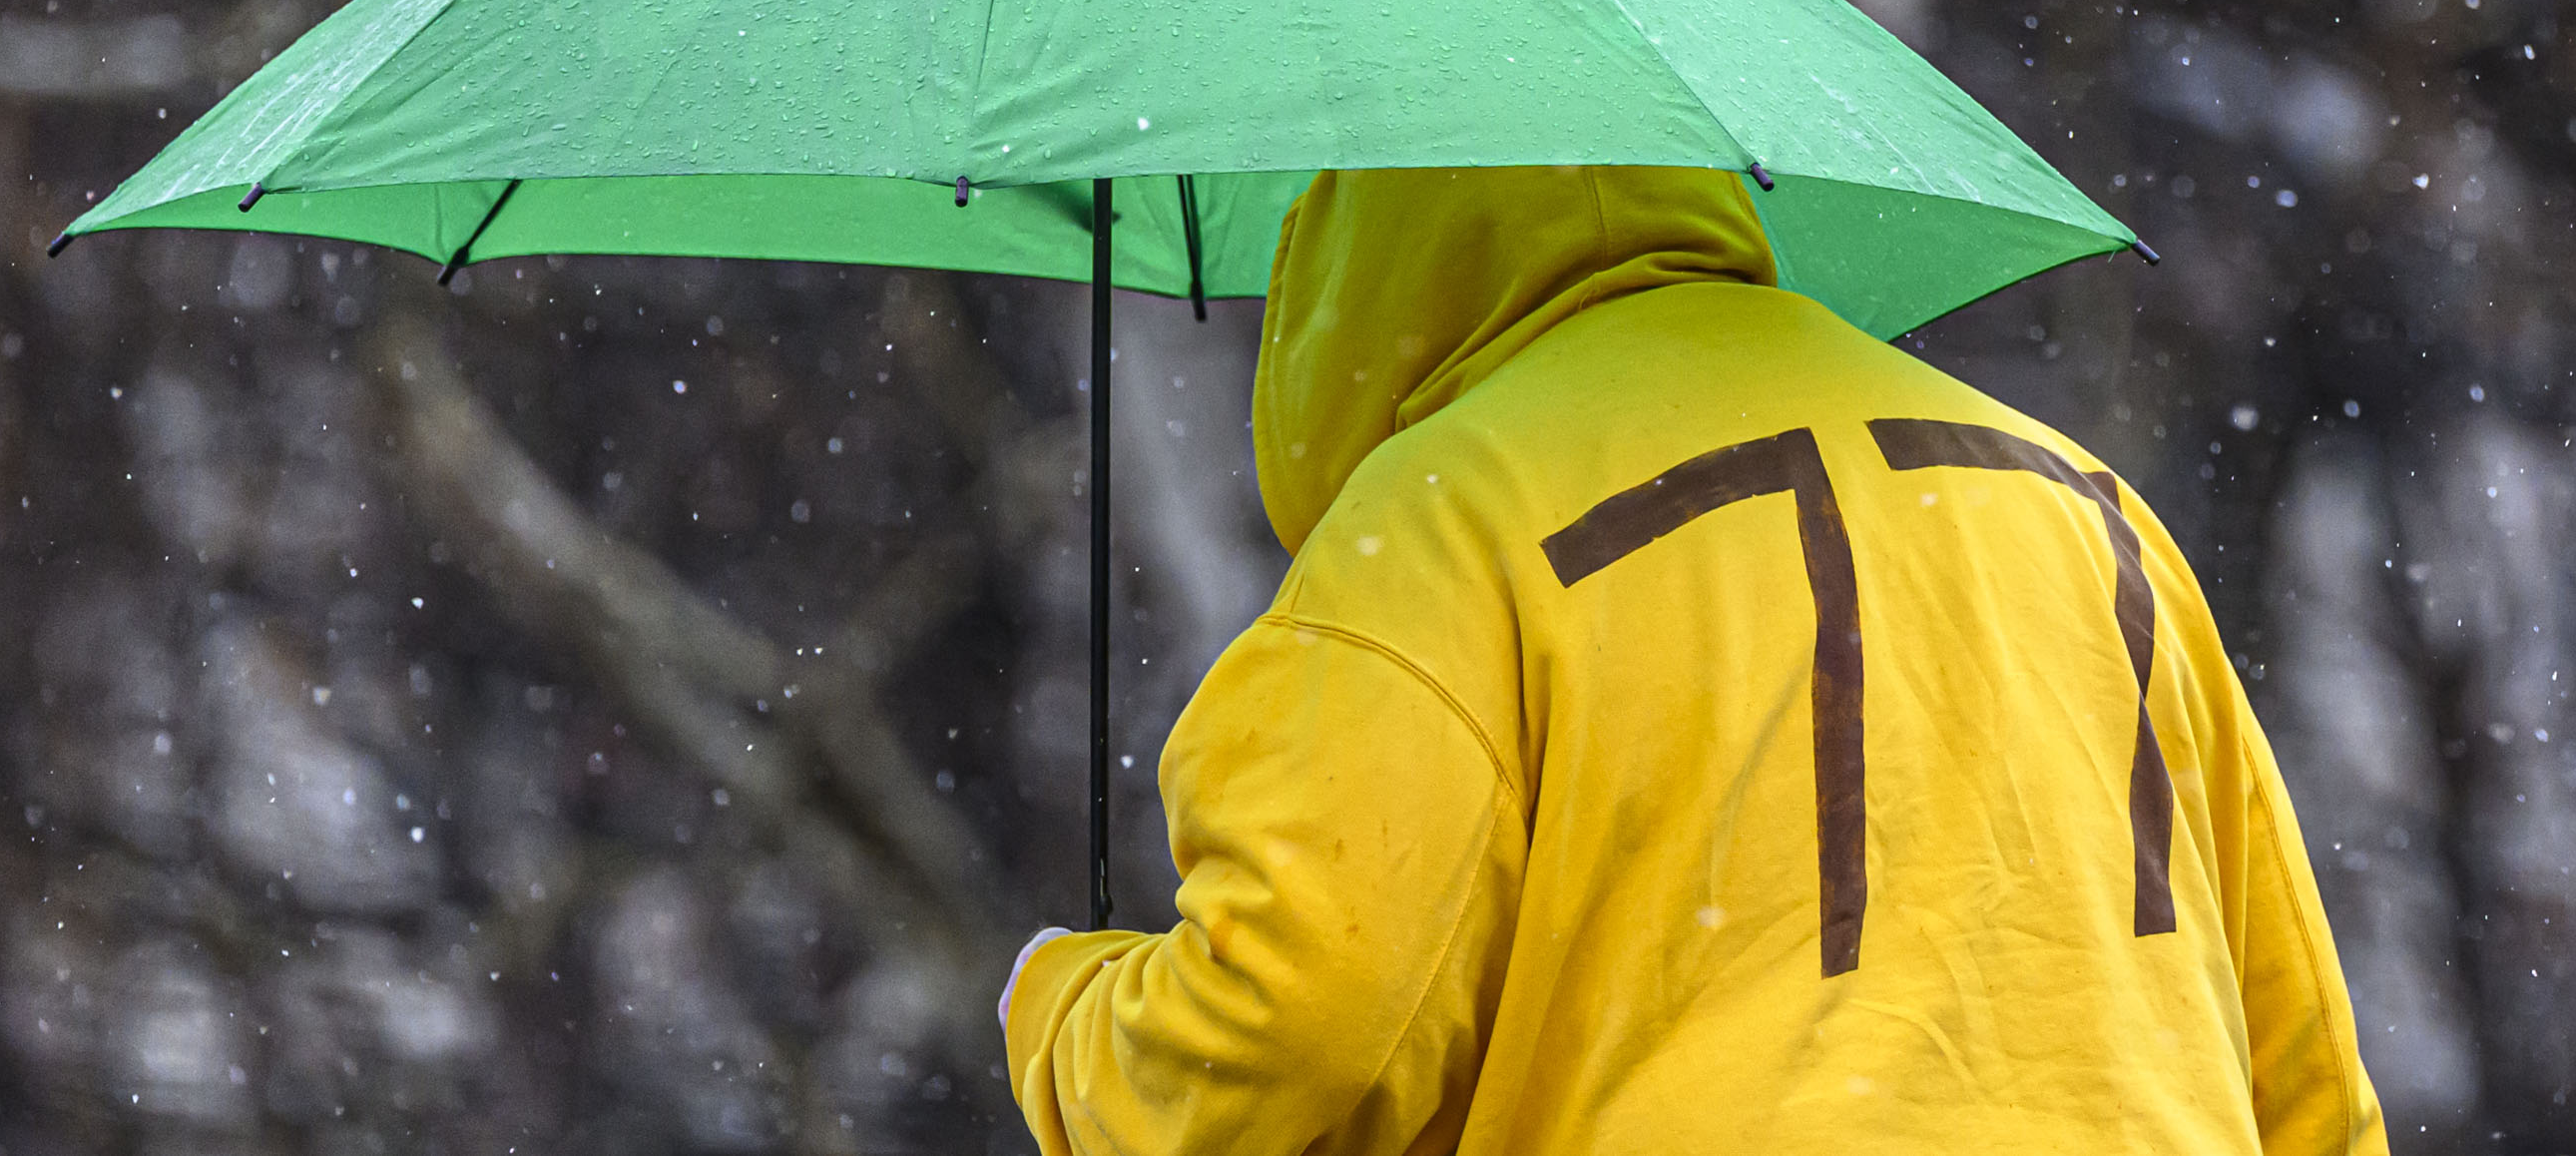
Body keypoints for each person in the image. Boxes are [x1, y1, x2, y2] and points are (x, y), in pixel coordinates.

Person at [1000, 165, 2387, 1154]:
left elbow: (1291, 1036)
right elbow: (2302, 1066)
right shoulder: (2082, 503)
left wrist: (1061, 1008)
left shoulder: (1438, 531)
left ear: (1341, 288)